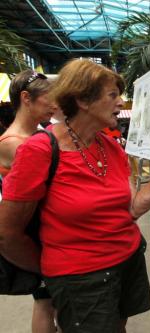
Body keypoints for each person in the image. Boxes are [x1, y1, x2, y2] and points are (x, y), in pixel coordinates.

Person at [0, 59, 150, 333]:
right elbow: (7, 235)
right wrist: (52, 270)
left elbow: (130, 209)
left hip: (127, 260)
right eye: (113, 95)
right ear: (82, 100)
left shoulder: (111, 147)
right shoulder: (39, 150)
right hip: (81, 278)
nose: (121, 102)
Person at [0, 69, 57, 333]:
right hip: (34, 233)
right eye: (49, 98)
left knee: (48, 299)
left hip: (44, 228)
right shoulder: (14, 143)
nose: (55, 104)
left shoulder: (39, 133)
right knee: (46, 301)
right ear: (26, 98)